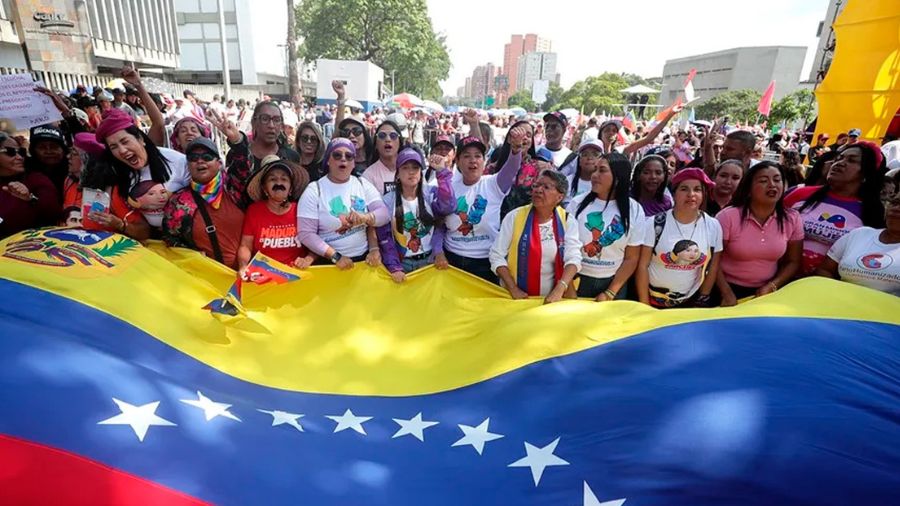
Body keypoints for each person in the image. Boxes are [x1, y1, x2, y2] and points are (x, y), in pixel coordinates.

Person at [783, 142, 886, 276]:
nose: (840, 163)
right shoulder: (799, 194)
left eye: (852, 160)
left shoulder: (871, 212)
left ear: (866, 173)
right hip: (779, 279)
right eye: (839, 158)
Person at [90, 108, 190, 239]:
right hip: (154, 243)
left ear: (141, 139)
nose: (122, 150)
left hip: (188, 239)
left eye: (125, 141)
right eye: (114, 147)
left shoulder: (178, 161)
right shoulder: (117, 173)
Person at [442, 128, 527, 282]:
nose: (472, 160)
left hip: (484, 262)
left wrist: (516, 149)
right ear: (458, 162)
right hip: (451, 260)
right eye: (466, 156)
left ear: (484, 161)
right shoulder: (449, 186)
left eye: (477, 156)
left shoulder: (494, 184)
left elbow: (512, 168)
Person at [716, 161, 804, 305]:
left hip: (766, 292)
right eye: (763, 180)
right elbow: (713, 260)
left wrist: (773, 285)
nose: (772, 185)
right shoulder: (728, 216)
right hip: (723, 289)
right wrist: (726, 292)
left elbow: (793, 261)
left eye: (777, 180)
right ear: (749, 188)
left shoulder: (792, 218)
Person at [490, 169, 581, 303]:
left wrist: (560, 289)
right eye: (536, 185)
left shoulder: (567, 220)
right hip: (517, 298)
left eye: (546, 187)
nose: (538, 190)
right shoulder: (515, 217)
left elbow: (573, 258)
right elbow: (496, 255)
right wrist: (513, 289)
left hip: (552, 300)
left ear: (559, 197)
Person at [297, 138, 390, 269]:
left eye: (349, 156)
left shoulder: (362, 184)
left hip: (363, 262)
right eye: (337, 155)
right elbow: (305, 233)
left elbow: (384, 214)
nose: (343, 159)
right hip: (329, 263)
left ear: (353, 163)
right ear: (328, 160)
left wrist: (366, 218)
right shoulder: (314, 190)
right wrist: (335, 256)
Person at [637, 168, 723, 308]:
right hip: (652, 301)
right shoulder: (654, 224)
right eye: (684, 189)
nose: (691, 195)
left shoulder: (713, 226)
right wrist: (644, 304)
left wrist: (702, 299)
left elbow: (712, 267)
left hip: (690, 301)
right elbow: (642, 265)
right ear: (674, 194)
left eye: (697, 189)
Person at [162, 137, 252, 269]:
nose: (200, 161)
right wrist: (192, 255)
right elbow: (169, 238)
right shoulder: (178, 202)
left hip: (250, 274)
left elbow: (243, 165)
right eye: (193, 158)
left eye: (207, 156)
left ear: (219, 163)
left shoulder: (234, 186)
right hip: (207, 278)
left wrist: (236, 140)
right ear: (188, 165)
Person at [566, 152, 645, 301]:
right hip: (577, 280)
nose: (594, 175)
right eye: (595, 169)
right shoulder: (576, 204)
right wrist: (568, 285)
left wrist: (610, 292)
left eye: (601, 170)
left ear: (618, 177)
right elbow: (564, 247)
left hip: (614, 284)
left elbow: (631, 258)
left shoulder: (634, 210)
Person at [376, 148, 455, 282]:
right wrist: (394, 267)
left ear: (421, 172)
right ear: (397, 174)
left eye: (415, 167)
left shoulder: (431, 194)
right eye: (405, 168)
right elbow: (385, 239)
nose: (411, 172)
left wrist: (441, 172)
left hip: (430, 262)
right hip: (403, 266)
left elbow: (448, 206)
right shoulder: (388, 201)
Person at [815, 172, 899, 295]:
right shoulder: (859, 235)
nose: (896, 208)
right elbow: (824, 270)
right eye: (895, 203)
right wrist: (837, 295)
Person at [238, 156, 312, 274]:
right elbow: (246, 246)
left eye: (284, 179)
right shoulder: (254, 211)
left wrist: (308, 259)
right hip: (262, 277)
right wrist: (243, 266)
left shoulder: (302, 209)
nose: (278, 183)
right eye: (272, 179)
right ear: (264, 188)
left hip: (297, 276)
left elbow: (316, 241)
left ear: (291, 188)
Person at [0, 133, 59, 238]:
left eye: (21, 152)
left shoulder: (37, 180)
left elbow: (53, 214)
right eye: (10, 152)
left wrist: (30, 198)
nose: (19, 157)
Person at [25, 124, 69, 199]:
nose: (48, 151)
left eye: (54, 146)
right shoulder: (25, 172)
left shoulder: (74, 171)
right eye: (42, 147)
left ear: (63, 150)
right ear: (33, 151)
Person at [363, 120, 404, 196]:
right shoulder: (368, 176)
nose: (388, 139)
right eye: (382, 135)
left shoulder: (412, 169)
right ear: (376, 144)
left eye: (393, 136)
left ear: (400, 142)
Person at [565, 141, 603, 207]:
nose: (590, 158)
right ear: (579, 161)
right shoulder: (567, 182)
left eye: (595, 154)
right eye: (585, 154)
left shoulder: (605, 184)